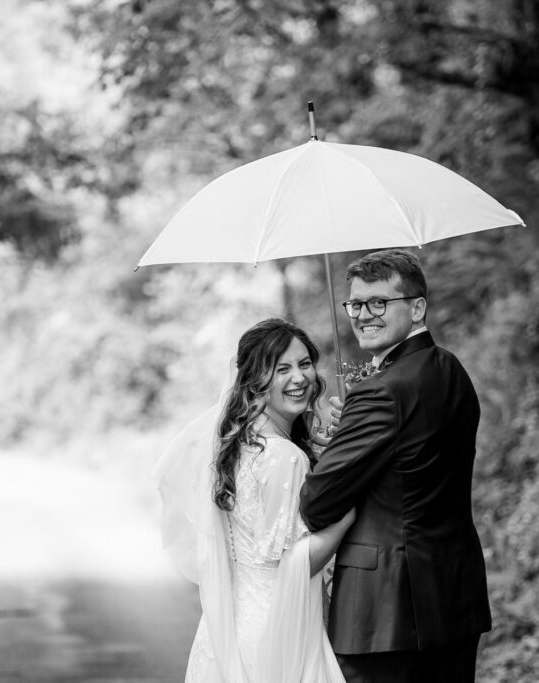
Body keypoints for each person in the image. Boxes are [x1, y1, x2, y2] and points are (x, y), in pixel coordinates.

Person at [299, 249, 492, 683]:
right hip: (453, 597)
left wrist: (338, 445)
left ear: (418, 307)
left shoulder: (379, 393)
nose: (363, 314)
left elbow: (317, 503)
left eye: (379, 303)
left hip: (384, 612)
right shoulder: (450, 370)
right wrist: (351, 434)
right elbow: (411, 462)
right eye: (355, 304)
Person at [154, 318, 355, 683]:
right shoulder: (284, 456)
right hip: (275, 632)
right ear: (256, 381)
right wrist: (348, 509)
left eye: (305, 363)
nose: (299, 378)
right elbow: (292, 562)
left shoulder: (239, 444)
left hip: (231, 628)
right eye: (282, 369)